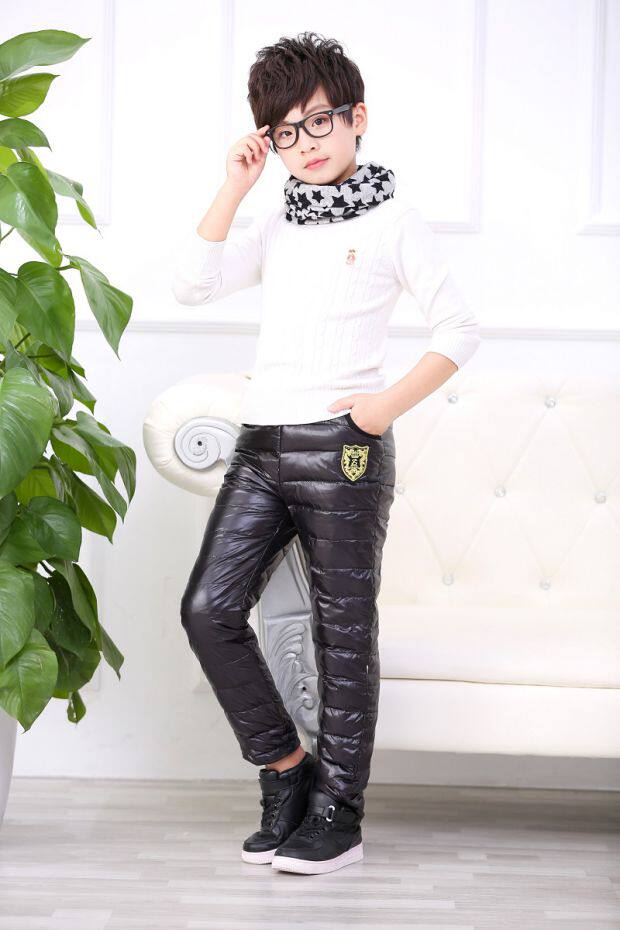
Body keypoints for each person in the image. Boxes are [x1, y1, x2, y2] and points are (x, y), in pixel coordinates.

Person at [172, 31, 481, 875]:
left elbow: (460, 330)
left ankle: (339, 813)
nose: (304, 145)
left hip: (344, 451)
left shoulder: (395, 220)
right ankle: (286, 772)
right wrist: (235, 186)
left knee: (342, 633)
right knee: (207, 609)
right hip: (260, 443)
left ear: (356, 118)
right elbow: (192, 285)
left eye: (318, 123)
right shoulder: (275, 215)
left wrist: (376, 412)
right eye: (285, 133)